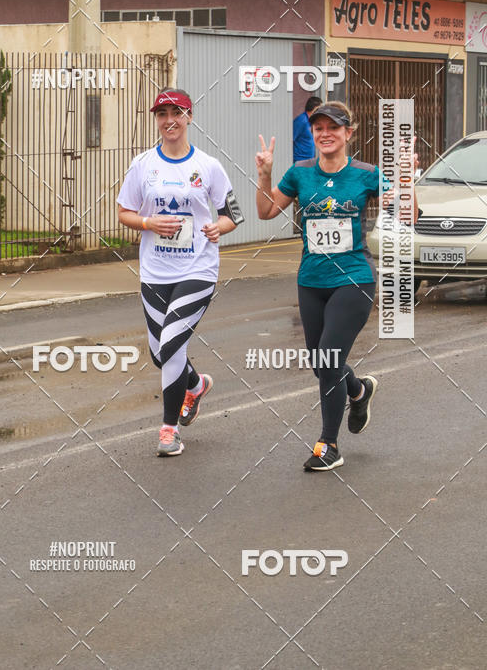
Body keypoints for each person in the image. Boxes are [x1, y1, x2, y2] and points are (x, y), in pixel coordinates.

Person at [256, 101, 419, 471]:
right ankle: (359, 391)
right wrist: (265, 175)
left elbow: (409, 215)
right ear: (313, 134)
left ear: (349, 133)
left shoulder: (366, 174)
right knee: (321, 363)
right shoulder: (299, 173)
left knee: (328, 357)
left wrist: (407, 181)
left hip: (353, 279)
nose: (325, 134)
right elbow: (266, 212)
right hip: (310, 280)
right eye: (318, 128)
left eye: (334, 128)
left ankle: (328, 445)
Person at [117, 88, 244, 456]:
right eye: (162, 114)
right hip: (155, 273)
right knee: (160, 354)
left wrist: (220, 227)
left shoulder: (208, 166)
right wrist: (147, 222)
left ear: (189, 116)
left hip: (197, 269)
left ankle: (168, 432)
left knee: (171, 345)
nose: (169, 120)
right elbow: (124, 212)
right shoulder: (143, 164)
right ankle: (195, 385)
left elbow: (231, 214)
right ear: (156, 120)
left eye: (176, 112)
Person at [293, 96, 322, 162]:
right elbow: (290, 140)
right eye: (319, 109)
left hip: (310, 160)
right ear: (314, 109)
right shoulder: (301, 121)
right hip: (300, 160)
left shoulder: (313, 121)